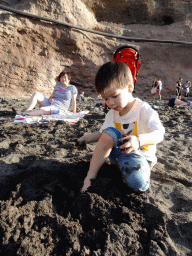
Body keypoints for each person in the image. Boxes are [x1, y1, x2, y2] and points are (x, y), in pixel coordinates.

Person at [77, 61, 165, 193]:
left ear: (129, 88)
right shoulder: (113, 113)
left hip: (140, 157)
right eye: (106, 99)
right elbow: (104, 134)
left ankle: (123, 172)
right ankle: (90, 177)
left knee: (138, 183)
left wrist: (138, 140)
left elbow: (159, 134)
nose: (110, 103)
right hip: (118, 154)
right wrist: (85, 138)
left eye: (114, 96)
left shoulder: (143, 109)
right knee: (109, 132)